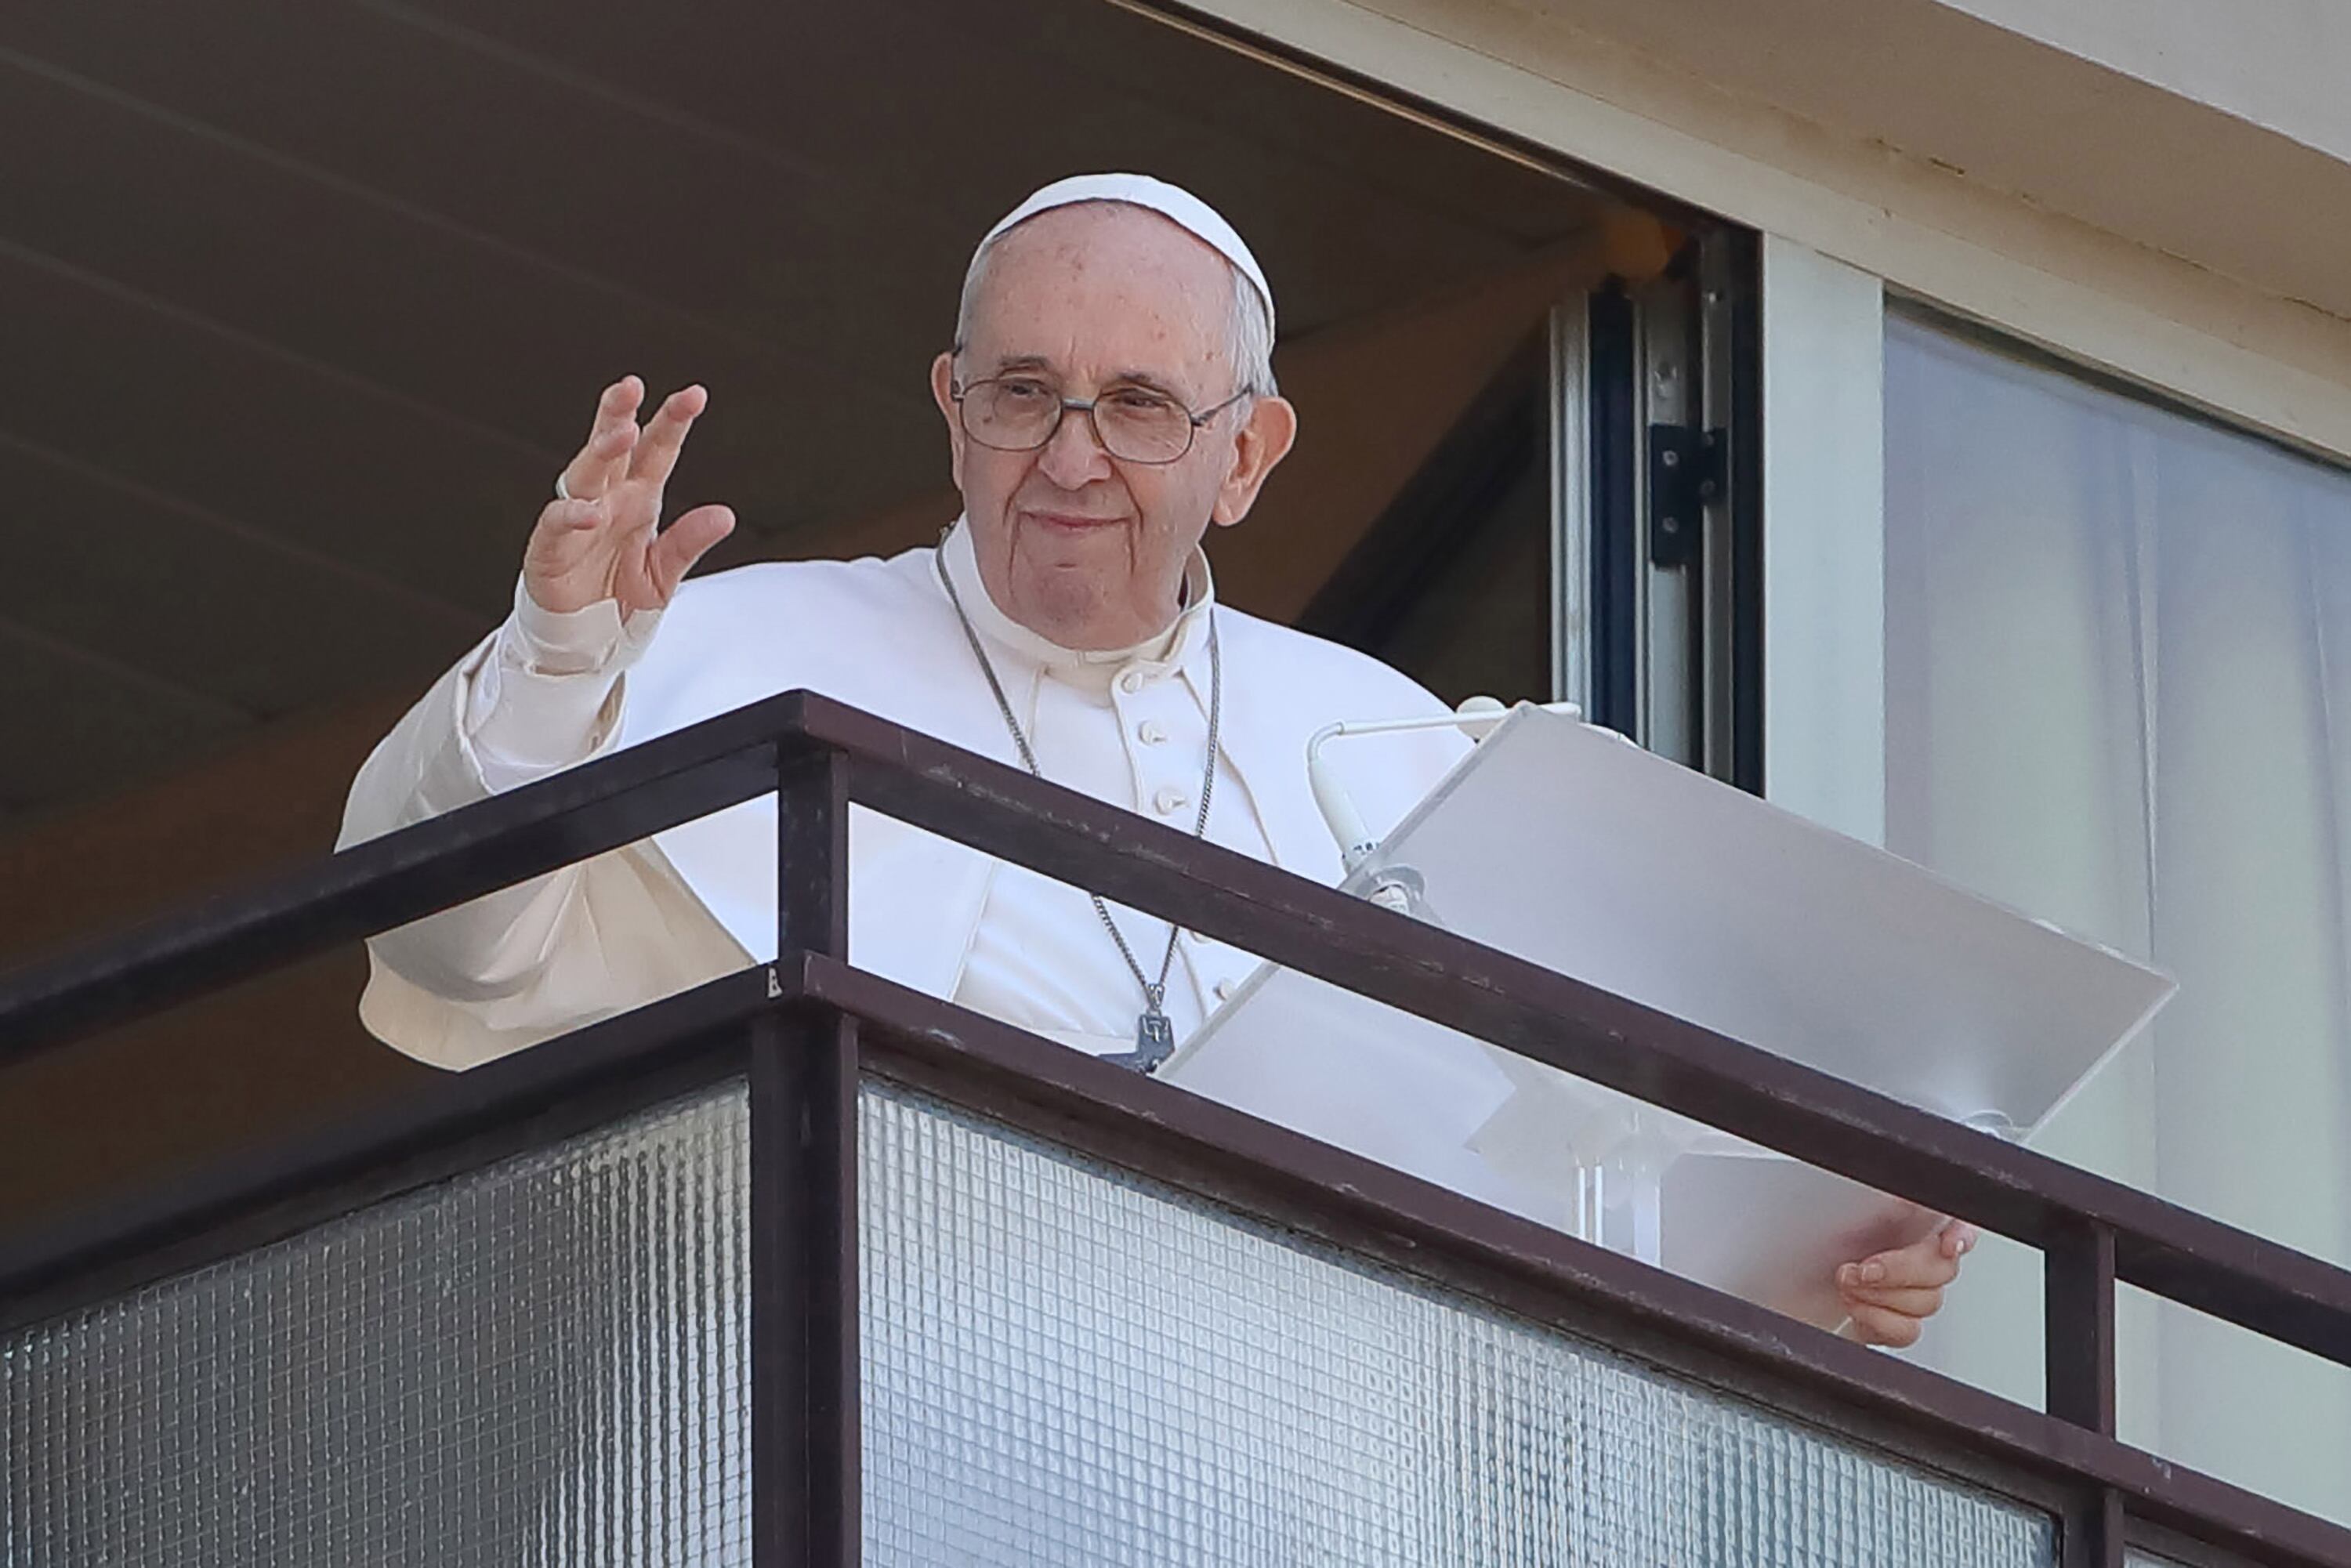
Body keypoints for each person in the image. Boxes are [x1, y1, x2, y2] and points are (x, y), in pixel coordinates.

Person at [340, 173, 1970, 1346]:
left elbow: (1593, 1170)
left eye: (1136, 405)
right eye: (1023, 393)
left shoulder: (1394, 746)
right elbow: (448, 944)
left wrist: (1830, 1245)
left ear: (1247, 452)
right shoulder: (727, 648)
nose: (1068, 457)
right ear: (948, 405)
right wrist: (563, 653)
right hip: (840, 1450)